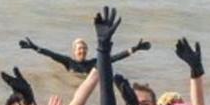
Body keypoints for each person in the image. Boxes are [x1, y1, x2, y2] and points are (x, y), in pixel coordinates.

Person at [19, 32, 149, 75]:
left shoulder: (93, 63)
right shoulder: (68, 61)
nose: (82, 51)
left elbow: (114, 58)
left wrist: (134, 49)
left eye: (84, 49)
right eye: (79, 49)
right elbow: (51, 54)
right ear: (74, 51)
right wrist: (34, 48)